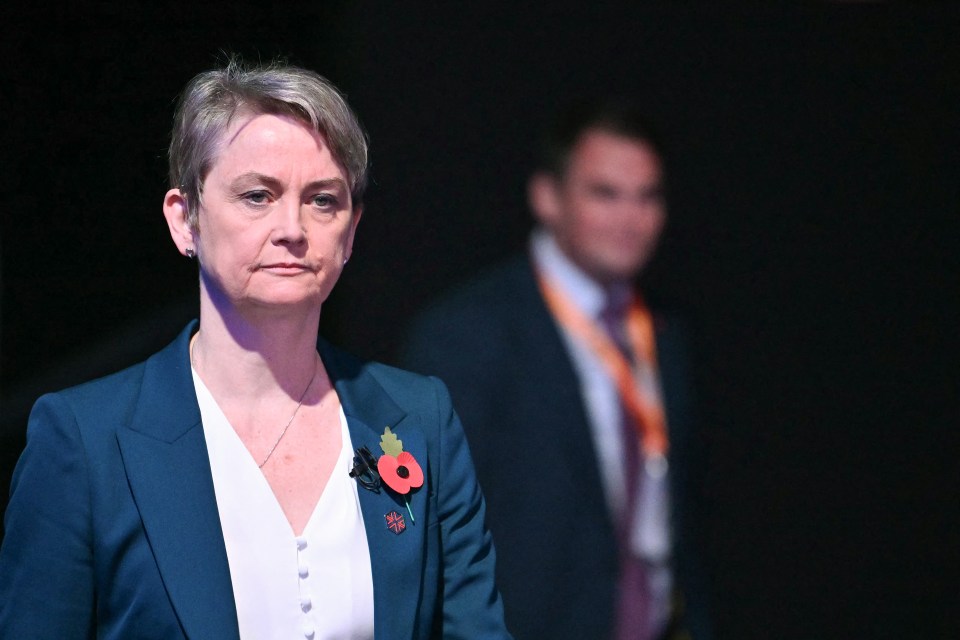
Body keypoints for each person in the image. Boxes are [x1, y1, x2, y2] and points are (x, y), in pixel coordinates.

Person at [0, 58, 511, 640]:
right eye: (257, 196)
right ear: (184, 219)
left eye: (322, 200)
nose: (292, 227)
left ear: (351, 232)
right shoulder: (85, 441)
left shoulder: (419, 419)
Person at [400, 101, 712, 640]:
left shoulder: (663, 332)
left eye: (648, 196)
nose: (630, 218)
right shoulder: (470, 334)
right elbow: (432, 528)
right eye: (605, 194)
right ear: (548, 197)